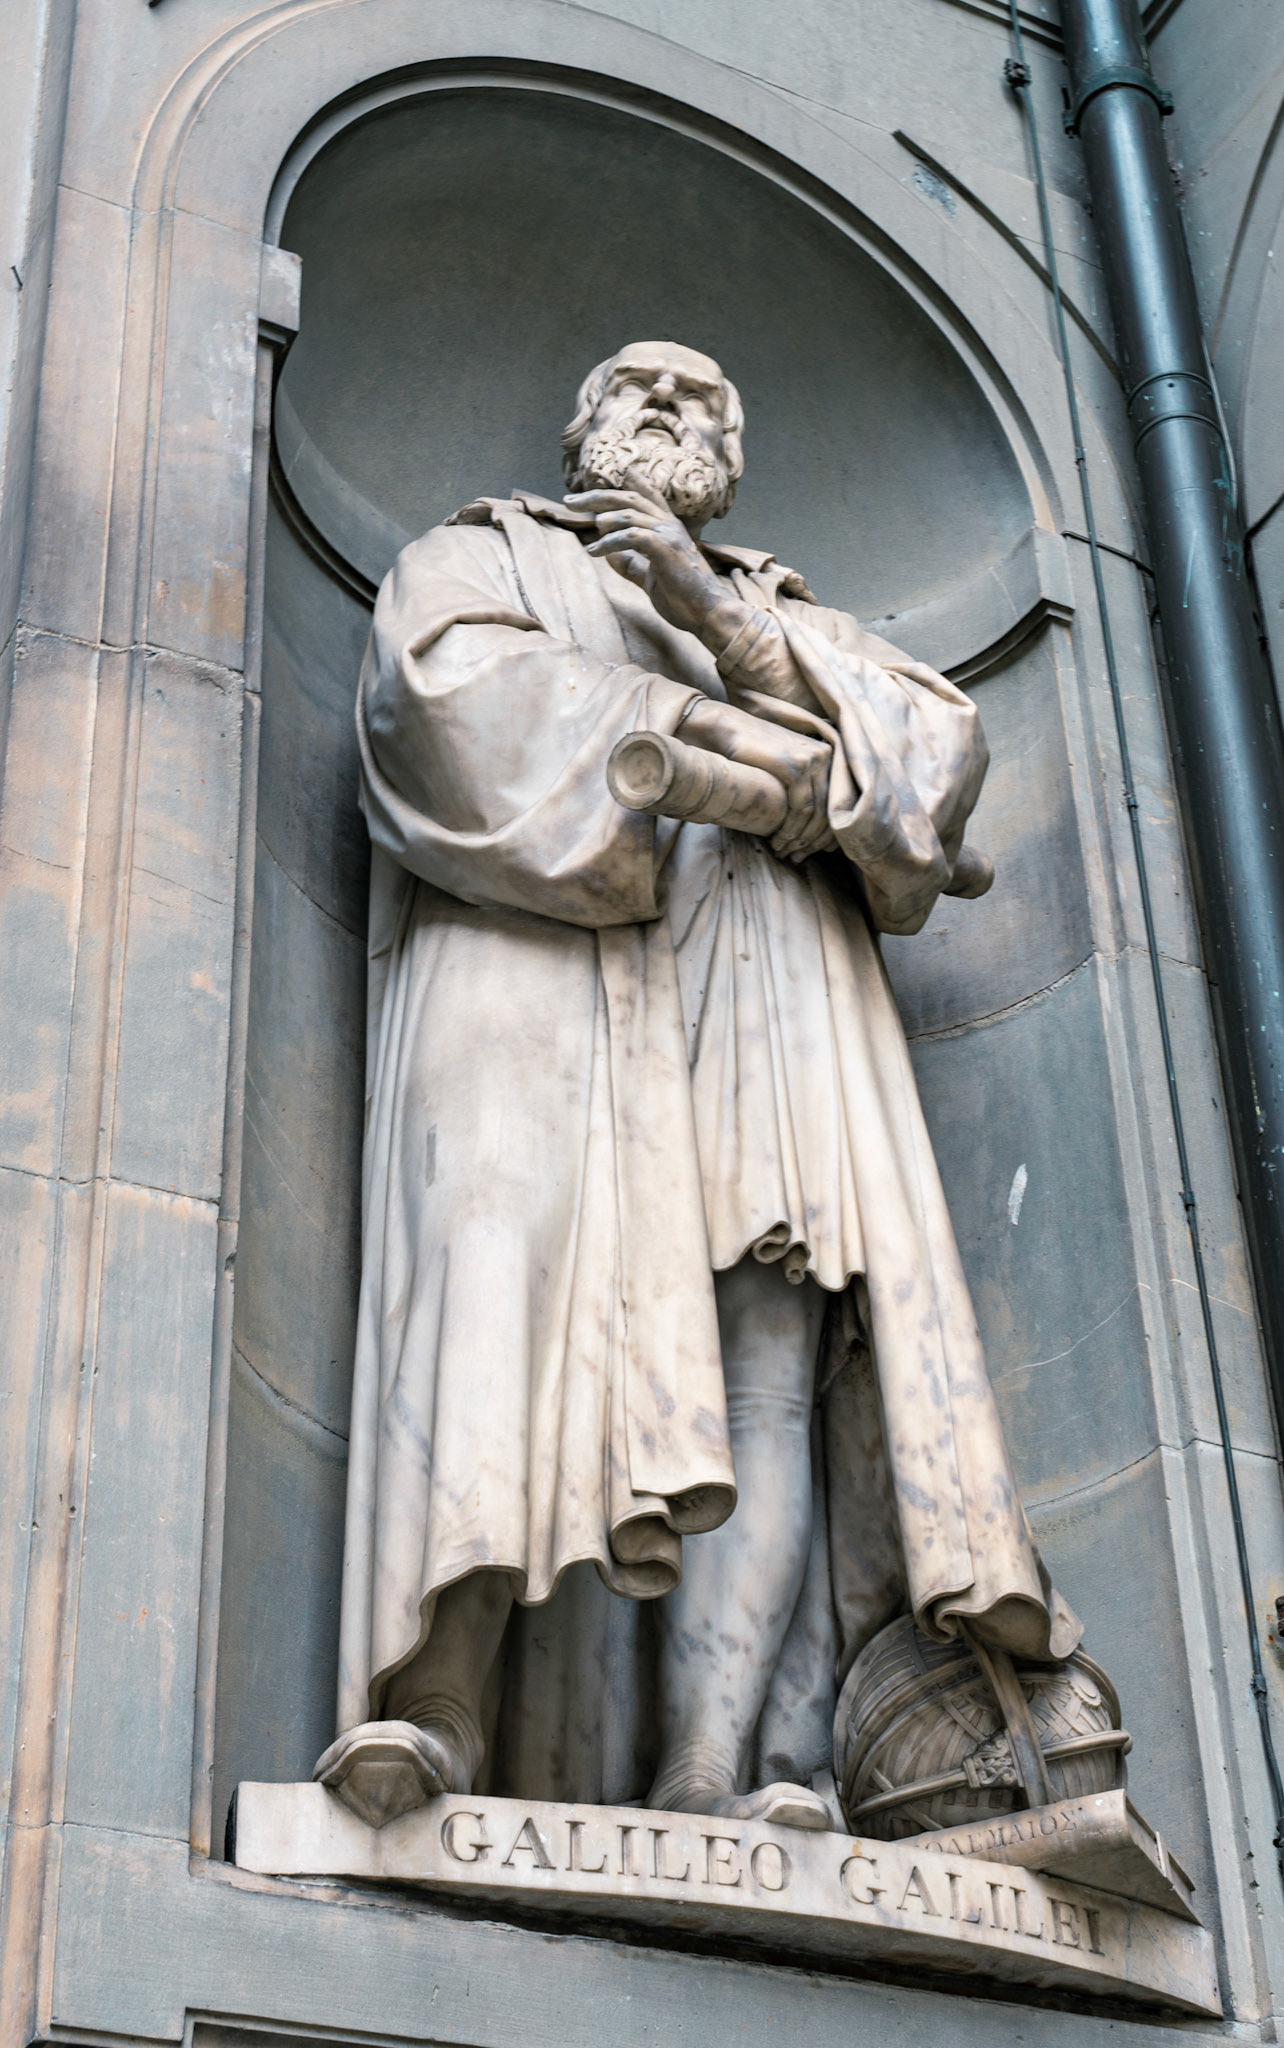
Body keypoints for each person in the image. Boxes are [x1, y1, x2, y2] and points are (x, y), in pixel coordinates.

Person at [315, 340, 1078, 1831]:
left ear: (727, 463)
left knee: (762, 1365)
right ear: (580, 427)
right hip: (549, 963)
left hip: (764, 980)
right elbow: (439, 709)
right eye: (636, 389)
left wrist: (716, 620)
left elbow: (931, 752)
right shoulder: (481, 556)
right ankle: (443, 1699)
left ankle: (721, 1765)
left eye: (704, 398)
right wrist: (715, 734)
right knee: (500, 1277)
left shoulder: (779, 611)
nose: (669, 406)